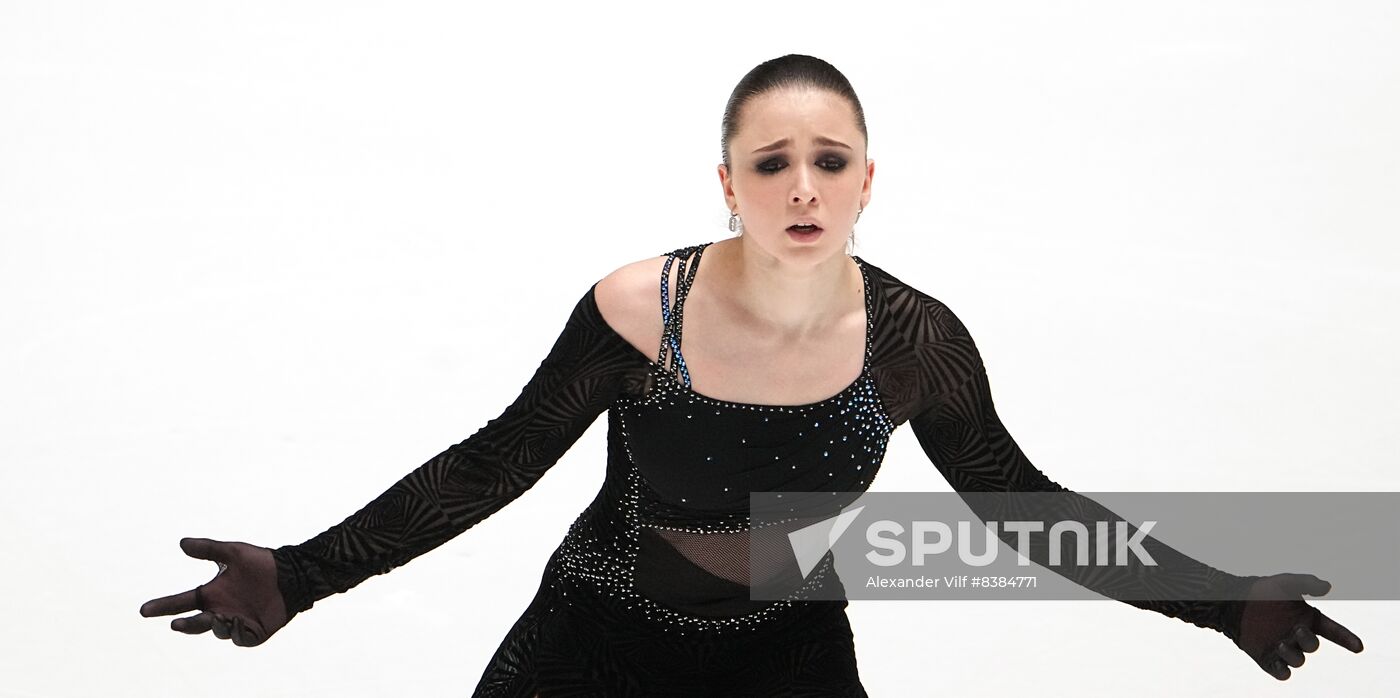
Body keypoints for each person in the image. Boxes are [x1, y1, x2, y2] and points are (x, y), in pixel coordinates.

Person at [140, 54, 1364, 696]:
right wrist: (303, 573)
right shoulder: (637, 307)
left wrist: (1213, 597)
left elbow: (1016, 504)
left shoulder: (913, 342)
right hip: (590, 644)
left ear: (867, 179)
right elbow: (500, 459)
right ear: (725, 179)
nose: (800, 187)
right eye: (768, 160)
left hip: (781, 655)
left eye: (829, 159)